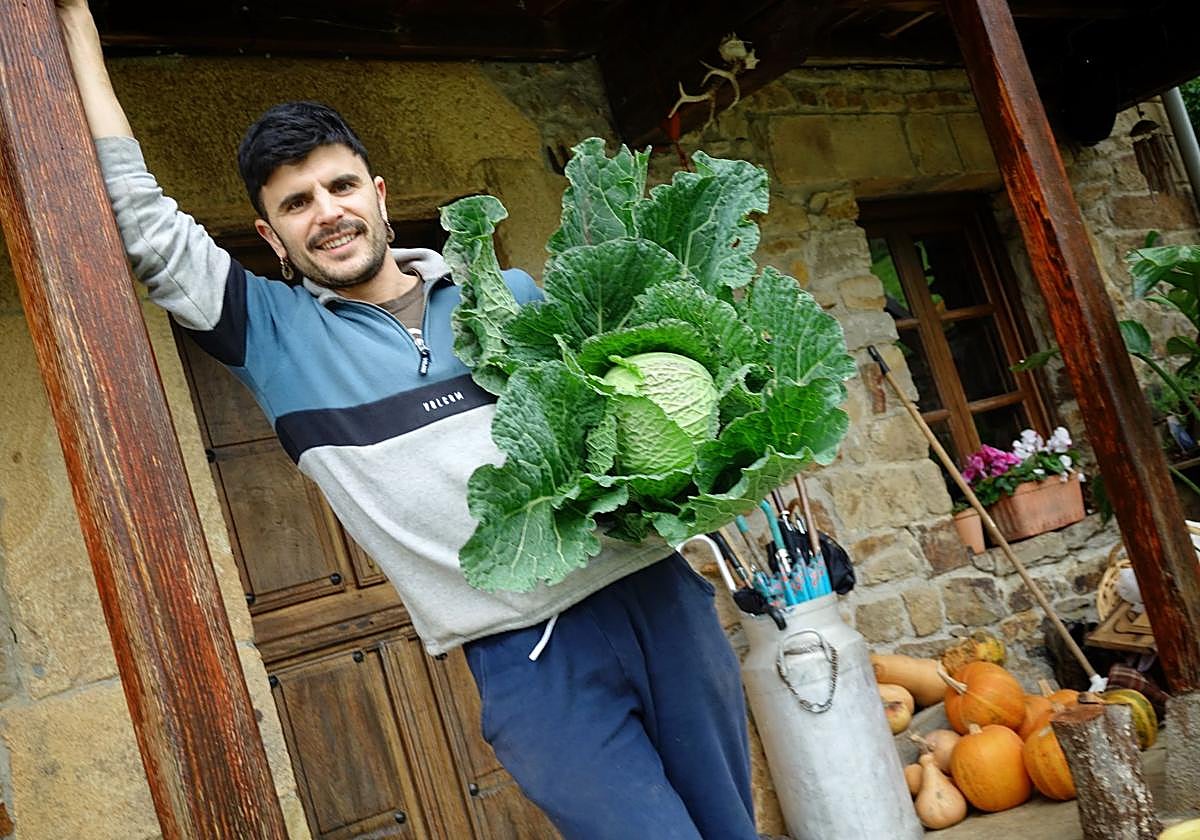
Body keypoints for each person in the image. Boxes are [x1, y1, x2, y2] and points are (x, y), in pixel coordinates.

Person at [55, 3, 760, 837]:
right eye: (297, 203)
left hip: (661, 601)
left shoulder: (512, 298)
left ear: (379, 194)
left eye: (341, 185)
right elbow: (140, 217)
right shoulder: (275, 339)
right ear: (270, 235)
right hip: (529, 659)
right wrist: (74, 21)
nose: (327, 212)